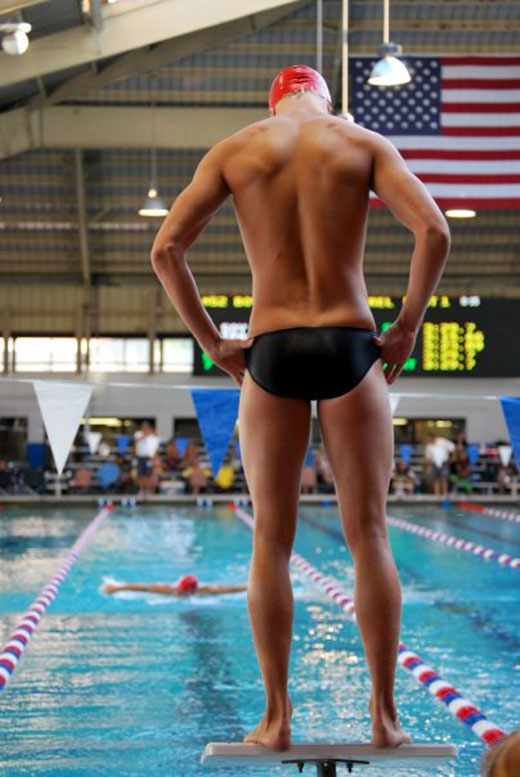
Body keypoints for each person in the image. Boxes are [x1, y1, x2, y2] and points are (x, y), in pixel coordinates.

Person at [150, 64, 450, 751]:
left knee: (271, 540)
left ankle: (277, 718)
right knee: (369, 533)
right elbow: (434, 231)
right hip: (351, 342)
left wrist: (213, 344)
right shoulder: (360, 142)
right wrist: (405, 325)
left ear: (274, 101)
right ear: (325, 99)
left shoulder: (237, 149)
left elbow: (165, 249)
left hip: (272, 346)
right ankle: (384, 716)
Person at [101, 573, 247, 597]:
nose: (183, 594)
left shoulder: (205, 591)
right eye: (182, 591)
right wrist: (118, 588)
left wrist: (249, 587)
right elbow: (142, 587)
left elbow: (231, 589)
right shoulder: (169, 590)